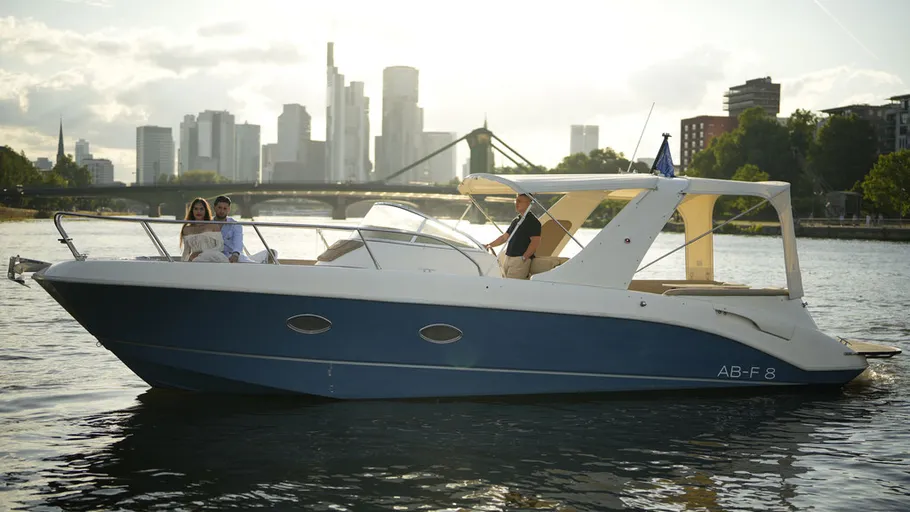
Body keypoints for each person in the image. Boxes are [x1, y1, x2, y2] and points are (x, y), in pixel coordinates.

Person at [484, 193, 542, 279]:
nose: (516, 203)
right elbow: (504, 237)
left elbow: (535, 242)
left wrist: (524, 257)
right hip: (508, 258)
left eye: (519, 201)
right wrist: (489, 245)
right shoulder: (516, 220)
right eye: (516, 201)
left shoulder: (533, 222)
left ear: (528, 203)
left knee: (511, 286)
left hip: (519, 260)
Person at [181, 198, 229, 263]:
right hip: (196, 260)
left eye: (201, 209)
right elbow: (187, 251)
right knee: (195, 261)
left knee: (198, 259)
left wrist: (202, 253)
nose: (199, 212)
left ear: (205, 211)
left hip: (214, 258)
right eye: (196, 209)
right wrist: (183, 263)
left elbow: (220, 247)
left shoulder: (213, 226)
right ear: (192, 211)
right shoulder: (186, 229)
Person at [212, 195, 252, 263]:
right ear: (214, 207)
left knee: (244, 260)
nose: (222, 211)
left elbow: (238, 243)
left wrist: (235, 254)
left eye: (225, 208)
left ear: (229, 209)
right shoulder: (207, 223)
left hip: (232, 255)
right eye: (219, 208)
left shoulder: (235, 225)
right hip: (213, 255)